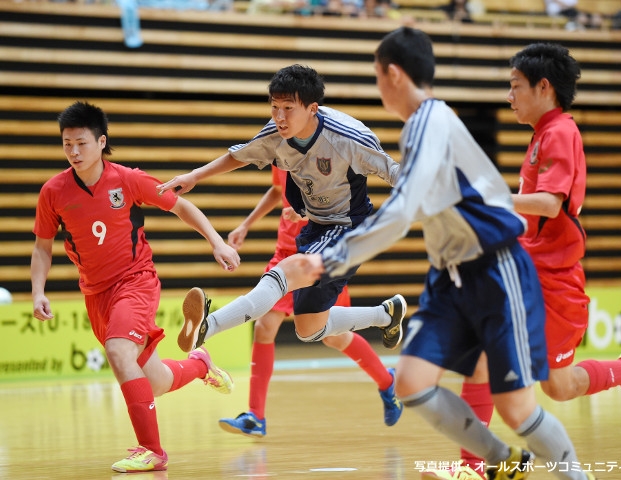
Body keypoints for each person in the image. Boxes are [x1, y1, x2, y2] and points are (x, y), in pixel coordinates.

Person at [297, 27, 597, 480]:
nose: (378, 86)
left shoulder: (432, 123)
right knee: (414, 384)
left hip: (495, 269)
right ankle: (500, 462)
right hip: (449, 276)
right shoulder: (417, 127)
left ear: (393, 75)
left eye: (377, 76)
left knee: (517, 407)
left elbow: (402, 212)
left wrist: (327, 260)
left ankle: (571, 474)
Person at [453, 42, 621, 478]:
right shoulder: (542, 133)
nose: (509, 96)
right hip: (531, 271)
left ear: (544, 87)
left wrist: (492, 198)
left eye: (515, 86)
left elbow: (552, 205)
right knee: (535, 378)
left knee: (542, 379)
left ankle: (474, 468)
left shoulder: (559, 132)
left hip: (552, 281)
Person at [31, 101, 240, 474]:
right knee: (155, 381)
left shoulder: (127, 180)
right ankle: (200, 364)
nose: (74, 152)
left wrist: (217, 241)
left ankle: (152, 451)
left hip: (135, 281)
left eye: (81, 143)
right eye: (67, 145)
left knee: (118, 350)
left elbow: (182, 207)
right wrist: (37, 291)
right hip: (96, 295)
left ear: (101, 142)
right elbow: (42, 247)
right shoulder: (53, 192)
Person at [157, 64, 407, 356]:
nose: (279, 116)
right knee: (309, 328)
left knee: (286, 270)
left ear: (312, 108)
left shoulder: (348, 137)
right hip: (316, 224)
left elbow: (396, 173)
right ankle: (387, 314)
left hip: (347, 226)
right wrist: (194, 176)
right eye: (275, 107)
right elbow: (241, 155)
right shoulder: (276, 132)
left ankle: (207, 326)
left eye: (288, 108)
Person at [218, 164, 402, 437]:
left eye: (285, 116)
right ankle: (256, 416)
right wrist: (246, 224)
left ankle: (387, 382)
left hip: (320, 255)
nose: (280, 119)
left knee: (333, 337)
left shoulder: (325, 151)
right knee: (264, 327)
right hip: (286, 253)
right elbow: (278, 190)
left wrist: (306, 211)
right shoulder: (279, 149)